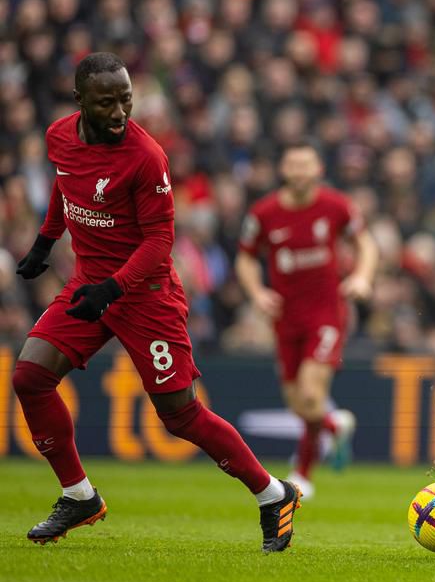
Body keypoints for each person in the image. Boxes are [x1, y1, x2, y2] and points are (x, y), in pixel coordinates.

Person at [14, 53, 302, 552]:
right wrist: (45, 241)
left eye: (126, 99)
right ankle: (78, 495)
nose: (120, 112)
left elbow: (158, 243)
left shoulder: (146, 156)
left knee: (179, 415)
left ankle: (273, 494)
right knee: (30, 377)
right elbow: (65, 185)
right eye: (106, 103)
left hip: (145, 294)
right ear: (80, 101)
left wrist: (111, 290)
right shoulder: (59, 135)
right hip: (90, 284)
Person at [236, 141, 377, 499]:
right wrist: (256, 293)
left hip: (326, 313)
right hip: (285, 317)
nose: (299, 172)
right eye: (292, 165)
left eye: (305, 165)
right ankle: (333, 424)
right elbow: (246, 259)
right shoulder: (264, 213)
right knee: (298, 402)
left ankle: (302, 472)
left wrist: (361, 276)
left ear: (318, 170)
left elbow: (366, 244)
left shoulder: (335, 205)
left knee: (312, 392)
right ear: (283, 170)